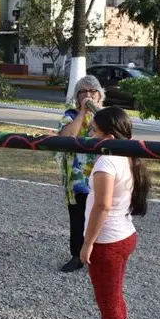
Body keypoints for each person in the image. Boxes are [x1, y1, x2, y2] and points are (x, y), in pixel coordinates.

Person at [77, 107, 150, 319]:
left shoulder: (107, 161)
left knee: (108, 300)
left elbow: (102, 205)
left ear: (107, 136)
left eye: (93, 130)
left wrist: (87, 243)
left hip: (108, 241)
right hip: (123, 235)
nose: (89, 135)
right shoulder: (127, 155)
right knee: (114, 297)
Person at [56, 75, 105, 273]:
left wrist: (97, 114)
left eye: (92, 91)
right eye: (82, 92)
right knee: (77, 217)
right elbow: (66, 137)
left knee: (102, 215)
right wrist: (82, 113)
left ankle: (100, 256)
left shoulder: (107, 115)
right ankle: (77, 255)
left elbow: (118, 134)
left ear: (100, 94)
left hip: (102, 173)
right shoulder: (70, 114)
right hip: (77, 178)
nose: (87, 95)